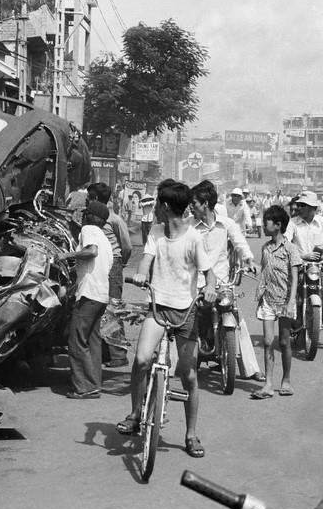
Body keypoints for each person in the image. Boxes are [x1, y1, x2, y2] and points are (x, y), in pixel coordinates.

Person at [115, 181, 217, 459]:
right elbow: (146, 260)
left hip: (186, 311)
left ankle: (191, 434)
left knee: (189, 375)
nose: (155, 209)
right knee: (141, 359)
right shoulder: (156, 233)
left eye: (157, 204)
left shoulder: (193, 237)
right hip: (158, 309)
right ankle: (136, 413)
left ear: (165, 206)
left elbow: (210, 273)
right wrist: (140, 273)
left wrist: (209, 288)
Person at [190, 180, 262, 382]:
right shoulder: (189, 225)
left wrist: (250, 261)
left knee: (237, 319)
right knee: (183, 320)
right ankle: (170, 366)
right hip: (194, 284)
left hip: (221, 282)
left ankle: (251, 368)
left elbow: (241, 244)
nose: (191, 208)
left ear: (205, 203)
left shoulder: (226, 224)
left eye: (194, 203)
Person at [56, 200, 113, 399]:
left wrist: (65, 255)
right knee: (93, 340)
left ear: (92, 217)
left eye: (86, 213)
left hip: (89, 294)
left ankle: (84, 387)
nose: (83, 216)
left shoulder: (89, 229)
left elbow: (91, 251)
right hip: (101, 295)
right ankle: (94, 383)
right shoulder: (106, 239)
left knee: (76, 340)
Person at [284, 190, 323, 352]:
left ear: (313, 208)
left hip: (318, 267)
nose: (299, 208)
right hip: (298, 265)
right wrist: (303, 255)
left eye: (303, 206)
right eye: (299, 205)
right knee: (288, 295)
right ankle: (288, 327)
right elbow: (285, 244)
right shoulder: (292, 223)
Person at [251, 205, 301, 399]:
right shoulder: (265, 247)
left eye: (267, 222)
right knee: (267, 341)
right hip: (268, 300)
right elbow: (264, 270)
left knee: (284, 341)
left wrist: (290, 304)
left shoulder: (290, 249)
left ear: (278, 225)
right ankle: (268, 384)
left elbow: (295, 278)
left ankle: (286, 380)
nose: (263, 225)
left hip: (285, 301)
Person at [87, 182, 133, 368]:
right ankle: (103, 352)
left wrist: (120, 264)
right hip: (96, 265)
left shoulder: (114, 219)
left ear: (96, 198)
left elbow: (127, 246)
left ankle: (118, 354)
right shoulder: (89, 219)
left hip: (112, 265)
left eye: (90, 197)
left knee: (113, 308)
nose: (87, 201)